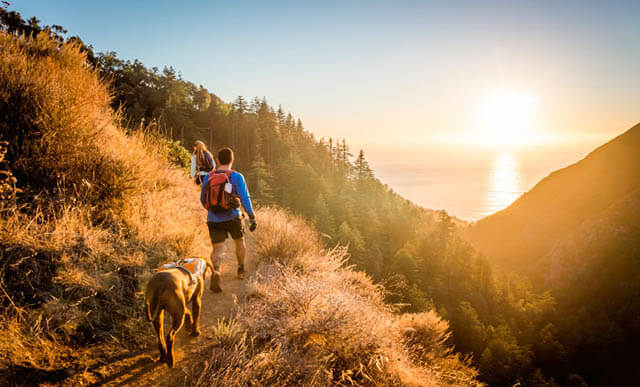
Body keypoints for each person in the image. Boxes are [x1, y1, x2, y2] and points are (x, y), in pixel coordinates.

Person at [200, 147, 257, 292]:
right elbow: (244, 198)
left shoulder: (209, 176)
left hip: (213, 218)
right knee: (239, 242)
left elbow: (202, 199)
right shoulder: (236, 176)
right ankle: (241, 269)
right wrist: (251, 215)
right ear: (232, 160)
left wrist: (214, 209)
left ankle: (216, 272)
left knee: (217, 248)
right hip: (233, 217)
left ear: (217, 160)